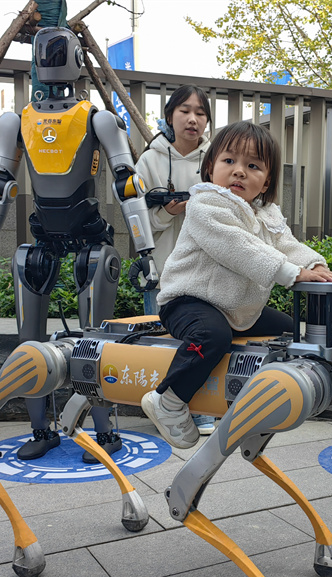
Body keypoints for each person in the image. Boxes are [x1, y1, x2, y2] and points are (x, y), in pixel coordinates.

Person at [141, 121, 332, 449]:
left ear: (266, 181)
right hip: (187, 301)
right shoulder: (206, 204)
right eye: (229, 161)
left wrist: (314, 265)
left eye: (252, 166)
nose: (239, 172)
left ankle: (261, 396)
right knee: (211, 336)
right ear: (210, 168)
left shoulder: (266, 212)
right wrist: (291, 273)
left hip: (235, 308)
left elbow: (287, 244)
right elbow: (239, 248)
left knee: (289, 329)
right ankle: (168, 400)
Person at [135, 85, 216, 434]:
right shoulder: (149, 160)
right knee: (164, 343)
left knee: (202, 338)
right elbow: (138, 224)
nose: (193, 119)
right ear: (170, 116)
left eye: (200, 112)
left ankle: (200, 407)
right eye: (185, 110)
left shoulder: (217, 159)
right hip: (163, 267)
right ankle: (165, 406)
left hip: (207, 271)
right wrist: (168, 212)